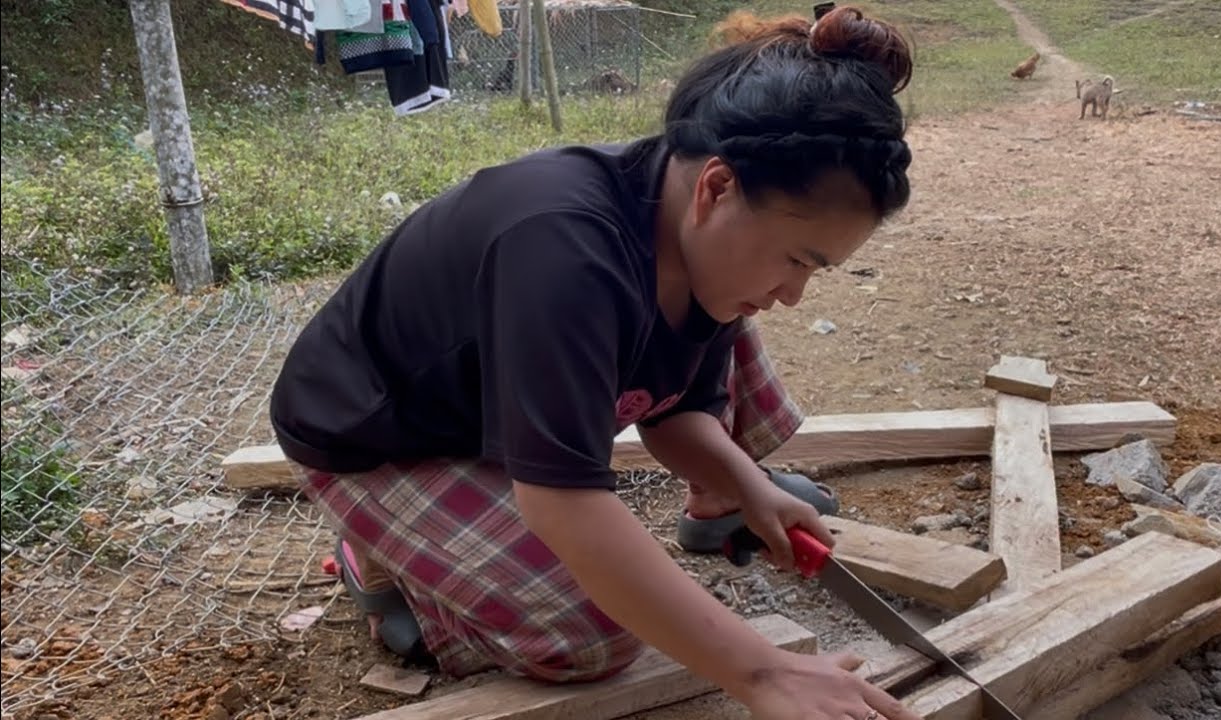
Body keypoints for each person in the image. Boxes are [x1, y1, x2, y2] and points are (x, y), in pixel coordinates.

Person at [269, 4, 919, 719]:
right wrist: (764, 674)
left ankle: (718, 506)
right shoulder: (563, 249)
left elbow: (677, 410)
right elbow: (563, 505)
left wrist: (744, 482)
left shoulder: (684, 221)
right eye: (799, 259)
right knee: (589, 640)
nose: (797, 294)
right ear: (717, 187)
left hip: (506, 401)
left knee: (740, 313)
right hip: (385, 439)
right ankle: (388, 558)